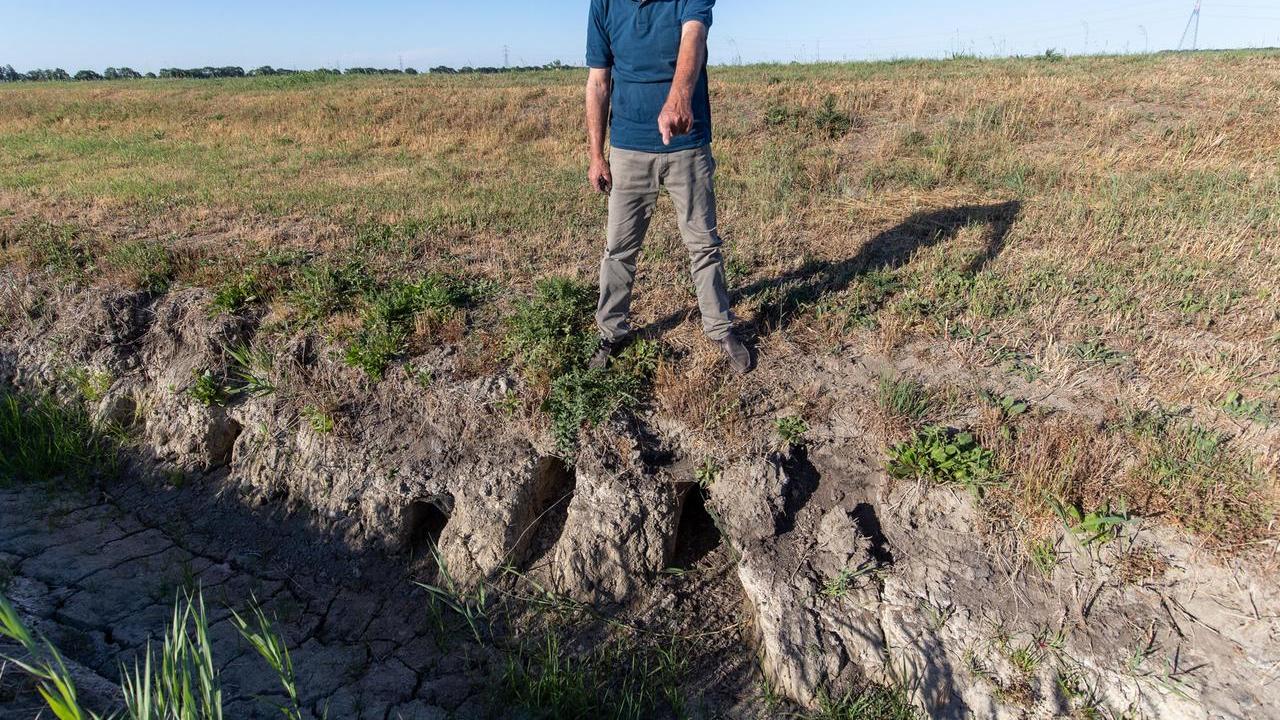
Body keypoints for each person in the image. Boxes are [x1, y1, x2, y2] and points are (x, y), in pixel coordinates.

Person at [584, 0, 752, 374]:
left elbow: (693, 38)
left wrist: (677, 100)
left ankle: (720, 329)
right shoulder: (604, 5)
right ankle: (612, 334)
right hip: (628, 147)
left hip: (687, 144)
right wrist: (597, 155)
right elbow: (598, 81)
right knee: (619, 250)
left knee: (704, 244)